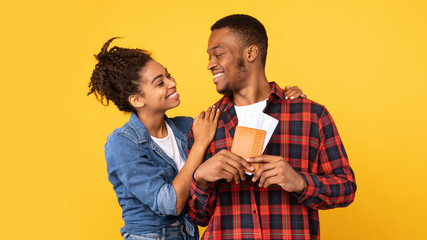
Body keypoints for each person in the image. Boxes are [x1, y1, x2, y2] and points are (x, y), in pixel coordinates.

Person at [87, 38, 306, 239]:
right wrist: (200, 145)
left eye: (168, 75)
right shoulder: (122, 144)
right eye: (159, 83)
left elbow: (239, 115)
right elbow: (169, 203)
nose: (172, 83)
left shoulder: (186, 126)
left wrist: (281, 98)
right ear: (136, 100)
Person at [187, 14, 357, 240]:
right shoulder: (207, 125)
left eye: (218, 54)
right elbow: (198, 217)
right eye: (209, 57)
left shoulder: (311, 115)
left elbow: (346, 189)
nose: (210, 64)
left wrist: (299, 181)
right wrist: (201, 178)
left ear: (250, 53)